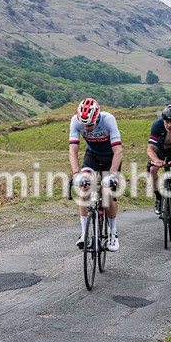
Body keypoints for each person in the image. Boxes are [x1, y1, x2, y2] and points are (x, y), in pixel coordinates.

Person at [69, 98, 122, 251]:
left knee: (108, 194)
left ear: (97, 117)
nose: (86, 128)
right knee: (84, 188)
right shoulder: (75, 121)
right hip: (92, 156)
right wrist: (76, 174)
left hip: (110, 158)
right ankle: (84, 234)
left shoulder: (108, 120)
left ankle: (113, 233)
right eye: (84, 125)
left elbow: (118, 151)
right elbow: (73, 150)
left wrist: (112, 175)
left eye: (90, 125)